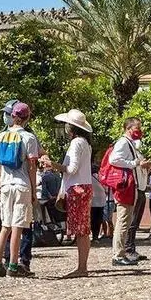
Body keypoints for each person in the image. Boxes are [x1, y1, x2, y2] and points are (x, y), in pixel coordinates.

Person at [0, 102, 39, 278]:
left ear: (12, 116)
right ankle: (13, 265)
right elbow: (32, 167)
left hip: (5, 185)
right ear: (27, 118)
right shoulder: (29, 138)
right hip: (22, 185)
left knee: (5, 226)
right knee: (18, 226)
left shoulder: (1, 136)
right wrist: (34, 191)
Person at [44, 109, 93, 278]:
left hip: (77, 188)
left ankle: (81, 267)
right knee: (84, 229)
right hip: (85, 187)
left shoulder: (76, 143)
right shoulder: (86, 143)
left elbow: (71, 169)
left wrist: (52, 164)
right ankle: (82, 265)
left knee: (80, 230)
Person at [109, 117, 151, 266]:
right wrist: (135, 163)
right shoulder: (123, 142)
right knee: (123, 220)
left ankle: (122, 252)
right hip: (124, 187)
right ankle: (118, 255)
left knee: (126, 221)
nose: (139, 131)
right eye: (137, 128)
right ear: (128, 129)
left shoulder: (130, 144)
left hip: (132, 187)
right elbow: (113, 159)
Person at [90, 165, 106, 243]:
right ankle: (96, 236)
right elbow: (106, 188)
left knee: (92, 219)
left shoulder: (89, 178)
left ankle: (93, 235)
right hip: (102, 201)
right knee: (98, 220)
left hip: (92, 201)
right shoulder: (101, 177)